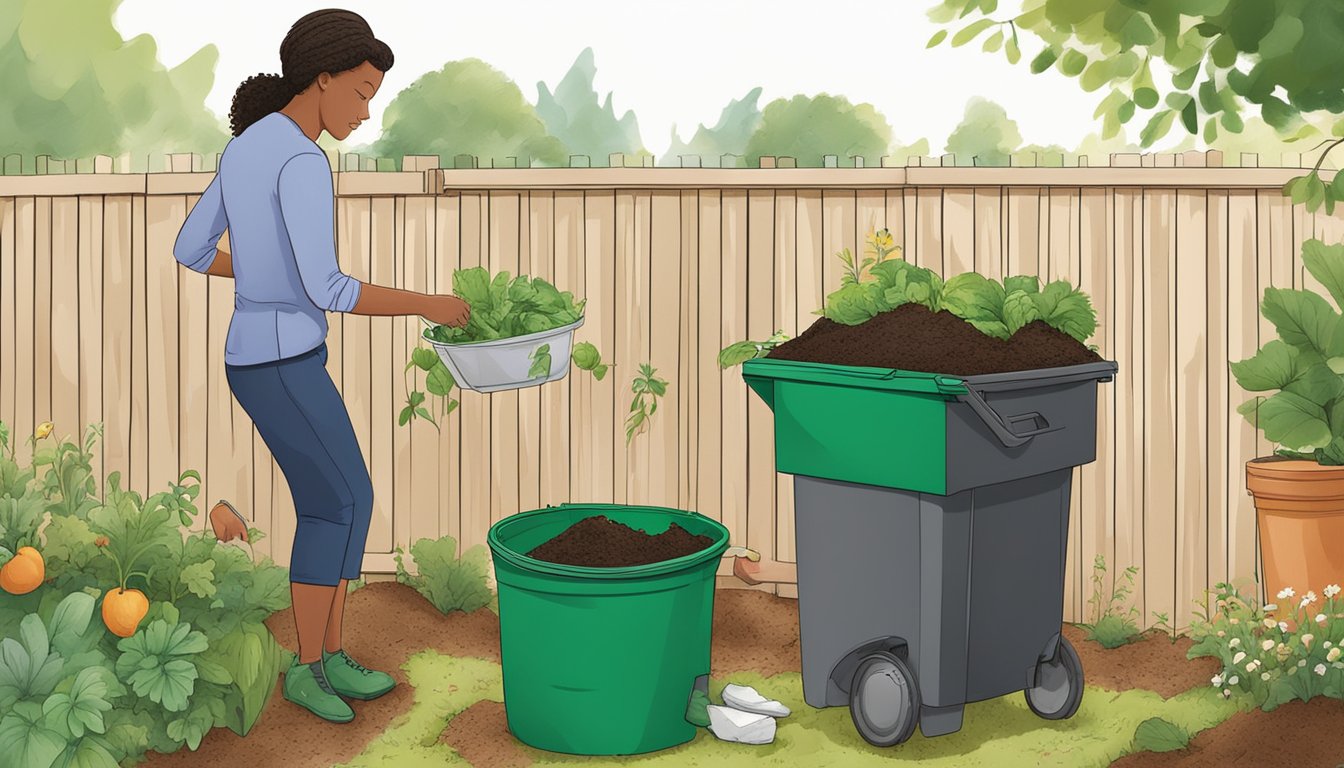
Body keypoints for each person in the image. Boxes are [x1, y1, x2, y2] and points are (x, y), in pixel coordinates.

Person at [172, 8, 470, 724]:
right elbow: (329, 289)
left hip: (264, 358)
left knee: (353, 499)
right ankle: (309, 669)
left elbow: (189, 247)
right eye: (362, 92)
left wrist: (259, 271)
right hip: (279, 362)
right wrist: (428, 302)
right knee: (332, 504)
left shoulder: (248, 147)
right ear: (323, 77)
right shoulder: (303, 159)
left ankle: (331, 655)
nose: (367, 111)